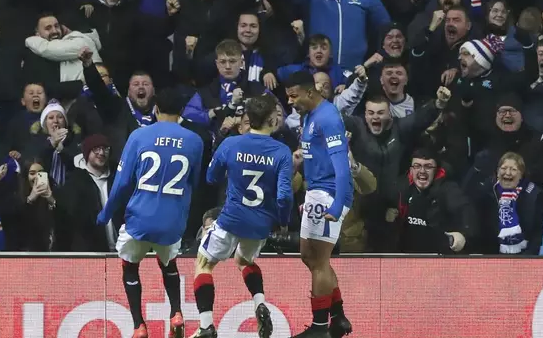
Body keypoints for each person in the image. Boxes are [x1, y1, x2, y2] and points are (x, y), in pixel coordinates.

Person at [96, 88, 204, 338]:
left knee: (130, 266)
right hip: (172, 221)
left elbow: (122, 183)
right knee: (168, 263)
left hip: (140, 218)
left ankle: (138, 325)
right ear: (182, 112)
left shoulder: (139, 136)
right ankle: (176, 312)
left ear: (155, 109)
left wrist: (105, 213)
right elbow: (194, 182)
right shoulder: (195, 140)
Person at [192, 94, 293, 338]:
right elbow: (284, 197)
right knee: (244, 261)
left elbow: (211, 177)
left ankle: (206, 326)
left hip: (231, 218)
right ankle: (259, 303)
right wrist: (283, 222)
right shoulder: (282, 152)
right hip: (259, 224)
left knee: (204, 264)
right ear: (271, 119)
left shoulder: (232, 144)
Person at [284, 71, 353, 338]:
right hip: (316, 192)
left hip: (329, 193)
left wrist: (336, 206)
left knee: (319, 261)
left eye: (294, 95)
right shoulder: (310, 115)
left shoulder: (328, 118)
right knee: (309, 257)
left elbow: (342, 166)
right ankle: (338, 317)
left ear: (310, 92)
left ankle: (320, 328)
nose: (290, 101)